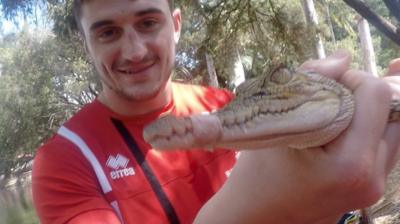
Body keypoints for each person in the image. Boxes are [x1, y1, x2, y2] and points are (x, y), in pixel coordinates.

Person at [31, 0, 400, 223]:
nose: (134, 51)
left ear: (175, 25)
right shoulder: (63, 162)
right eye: (108, 32)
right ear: (87, 43)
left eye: (147, 23)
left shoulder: (223, 103)